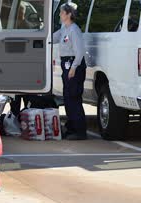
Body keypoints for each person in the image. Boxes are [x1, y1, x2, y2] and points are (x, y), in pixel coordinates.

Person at [53, 2, 87, 140]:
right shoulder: (64, 29)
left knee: (74, 97)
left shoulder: (74, 30)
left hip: (74, 66)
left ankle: (80, 131)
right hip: (66, 65)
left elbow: (80, 52)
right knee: (68, 98)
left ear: (68, 14)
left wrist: (73, 67)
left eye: (62, 12)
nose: (60, 15)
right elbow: (52, 38)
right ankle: (71, 127)